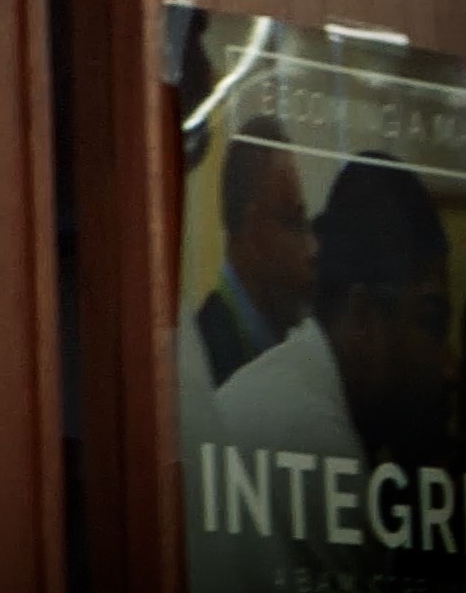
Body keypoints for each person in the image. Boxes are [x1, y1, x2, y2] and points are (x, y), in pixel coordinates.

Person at [214, 153, 457, 587]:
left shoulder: (292, 386)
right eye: (430, 322)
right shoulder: (314, 438)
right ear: (362, 316)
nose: (449, 368)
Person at [194, 116, 315, 386]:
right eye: (293, 223)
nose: (311, 249)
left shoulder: (276, 345)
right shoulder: (207, 356)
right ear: (253, 230)